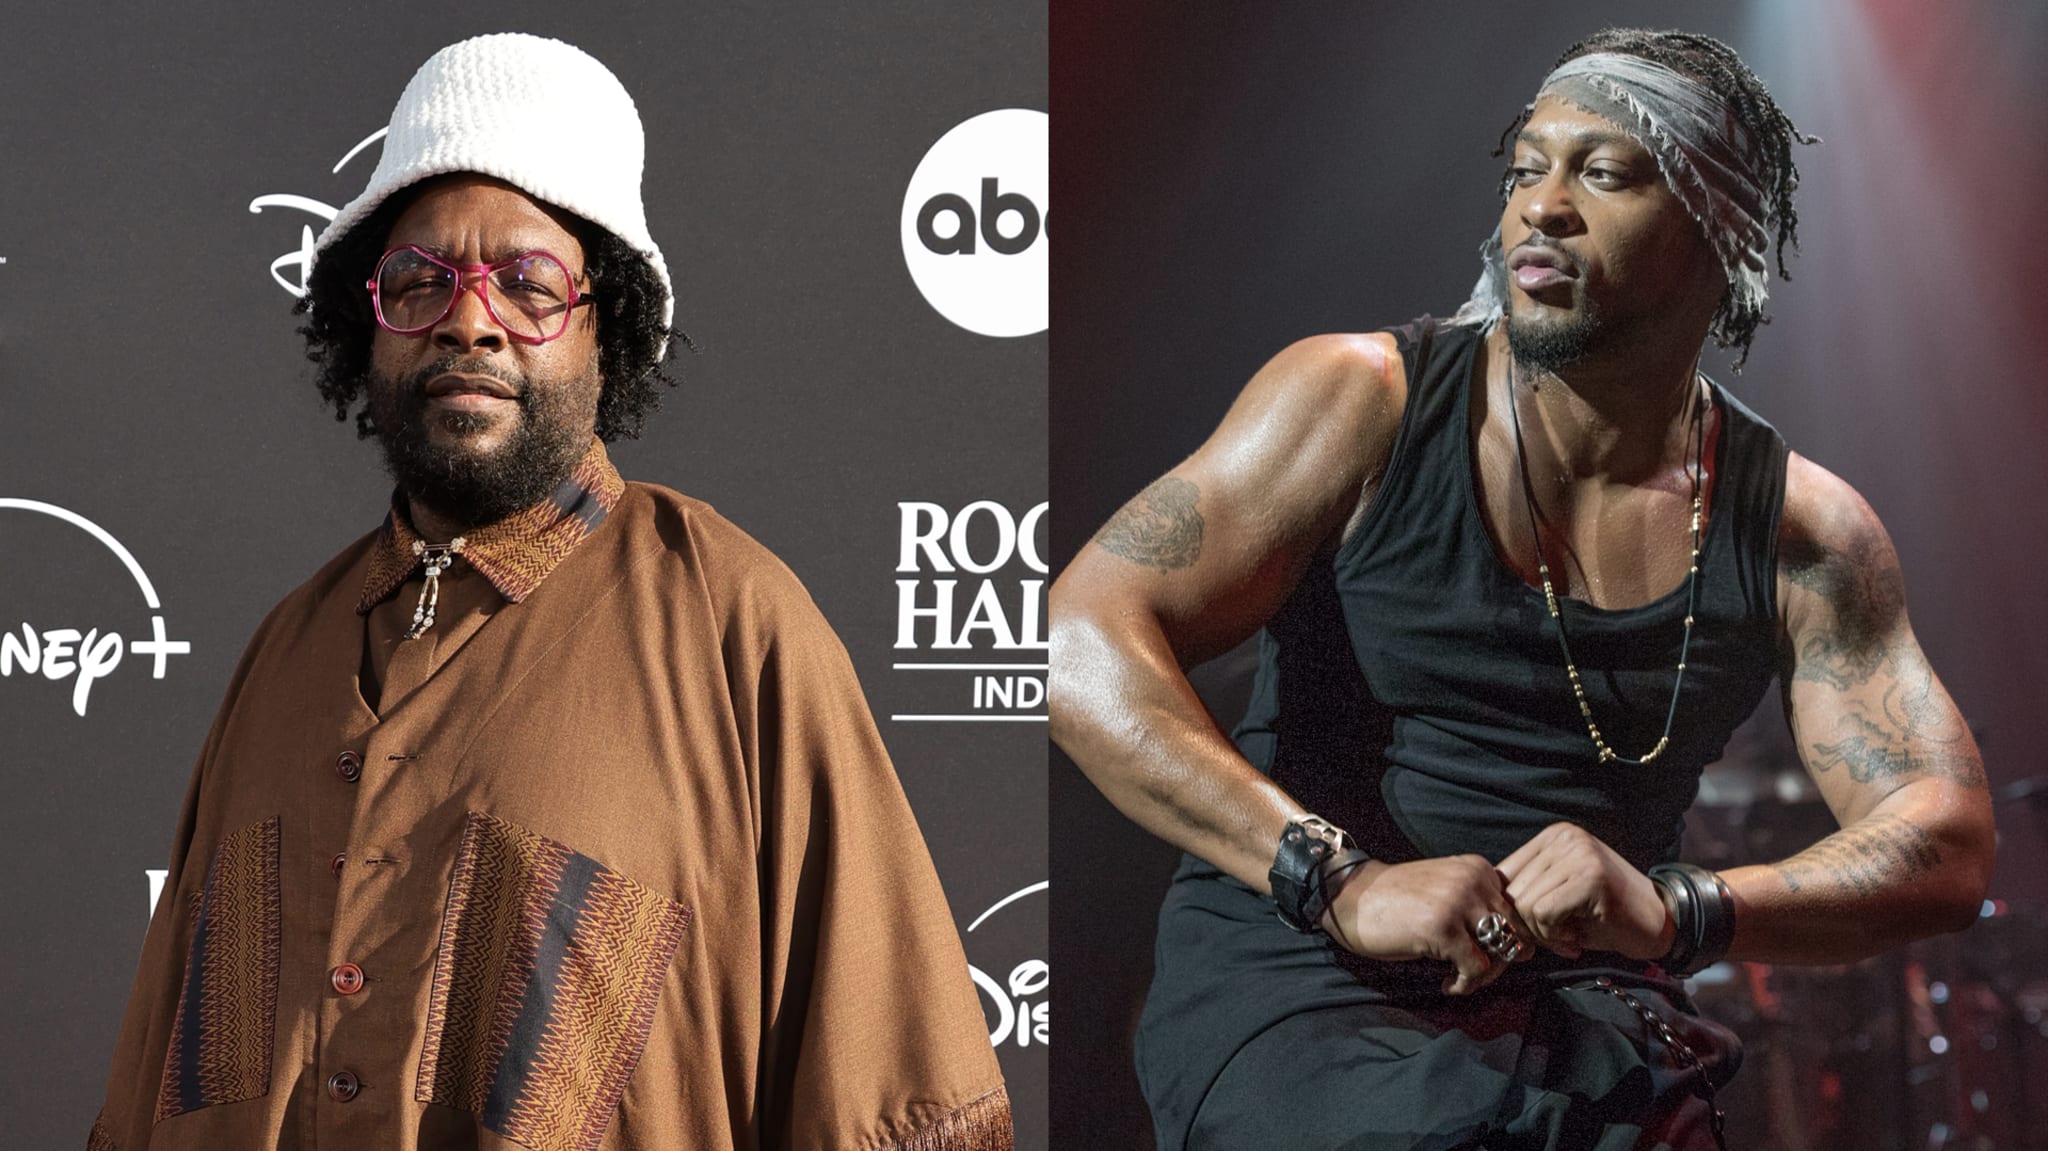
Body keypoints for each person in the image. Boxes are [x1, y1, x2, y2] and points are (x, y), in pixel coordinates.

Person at [1049, 27, 1993, 1150]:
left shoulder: (1799, 530)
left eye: (1600, 172)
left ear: (1716, 228)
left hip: (1589, 1011)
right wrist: (1333, 874)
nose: (1541, 206)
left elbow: (1942, 838)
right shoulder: (1359, 402)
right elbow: (1079, 632)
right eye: (1525, 168)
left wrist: (1682, 908)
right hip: (1307, 976)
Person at [87, 34, 1009, 1151]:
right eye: (419, 283)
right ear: (362, 325)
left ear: (605, 330)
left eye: (529, 286)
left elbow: (896, 1104)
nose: (469, 322)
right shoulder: (283, 652)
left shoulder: (733, 627)